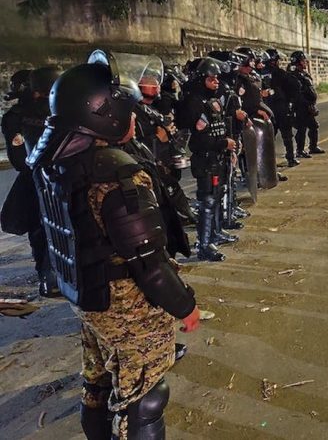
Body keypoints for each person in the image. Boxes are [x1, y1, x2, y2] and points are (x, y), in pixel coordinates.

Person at [26, 55, 200, 440]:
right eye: (126, 110)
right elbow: (150, 264)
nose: (133, 118)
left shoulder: (58, 159)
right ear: (103, 114)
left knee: (98, 383)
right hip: (126, 306)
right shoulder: (117, 174)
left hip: (87, 296)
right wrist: (185, 306)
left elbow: (21, 219)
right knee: (145, 398)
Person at [0, 68, 61, 296]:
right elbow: (19, 158)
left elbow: (18, 160)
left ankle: (49, 276)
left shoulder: (17, 115)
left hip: (40, 179)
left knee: (42, 229)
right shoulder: (58, 111)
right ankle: (51, 276)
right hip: (48, 178)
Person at [179, 57, 237, 262]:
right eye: (212, 79)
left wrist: (229, 149)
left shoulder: (214, 101)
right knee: (207, 202)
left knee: (217, 197)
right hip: (205, 160)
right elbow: (201, 140)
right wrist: (224, 144)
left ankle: (215, 233)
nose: (216, 82)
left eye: (217, 79)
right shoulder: (195, 103)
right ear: (202, 79)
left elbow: (220, 127)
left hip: (218, 158)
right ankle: (204, 245)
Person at [262, 49, 299, 167]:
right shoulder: (280, 73)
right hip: (280, 108)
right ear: (274, 61)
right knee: (287, 135)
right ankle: (290, 158)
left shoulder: (258, 74)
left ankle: (268, 164)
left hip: (266, 109)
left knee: (268, 137)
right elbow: (294, 86)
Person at [287, 51, 325, 157]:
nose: (306, 63)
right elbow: (297, 94)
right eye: (304, 61)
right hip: (300, 107)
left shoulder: (303, 73)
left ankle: (313, 147)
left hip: (307, 106)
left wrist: (312, 104)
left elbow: (309, 88)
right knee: (302, 128)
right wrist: (307, 104)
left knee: (314, 126)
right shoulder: (293, 75)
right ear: (299, 62)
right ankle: (300, 151)